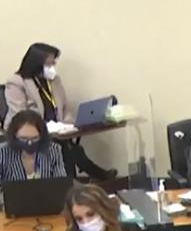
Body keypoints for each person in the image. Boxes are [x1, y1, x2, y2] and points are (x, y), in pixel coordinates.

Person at [4, 42, 114, 180]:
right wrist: (44, 127)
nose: (52, 67)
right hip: (27, 133)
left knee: (67, 148)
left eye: (53, 63)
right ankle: (92, 178)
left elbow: (64, 108)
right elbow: (20, 115)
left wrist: (67, 123)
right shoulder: (17, 82)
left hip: (56, 131)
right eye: (49, 64)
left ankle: (76, 183)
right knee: (67, 149)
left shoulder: (54, 80)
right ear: (36, 63)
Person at [0, 110, 68, 181]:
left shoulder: (53, 150)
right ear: (14, 136)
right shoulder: (2, 153)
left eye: (35, 138)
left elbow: (60, 183)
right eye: (23, 138)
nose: (29, 143)